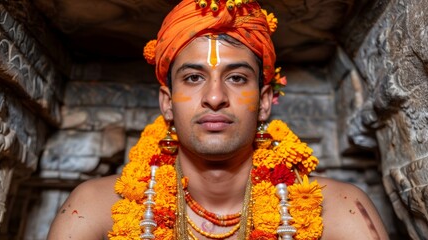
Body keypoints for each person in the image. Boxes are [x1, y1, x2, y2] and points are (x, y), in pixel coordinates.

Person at [47, 0, 389, 239]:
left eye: (237, 78)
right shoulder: (95, 210)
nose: (214, 97)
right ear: (167, 103)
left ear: (266, 101)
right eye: (194, 78)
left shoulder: (338, 211)